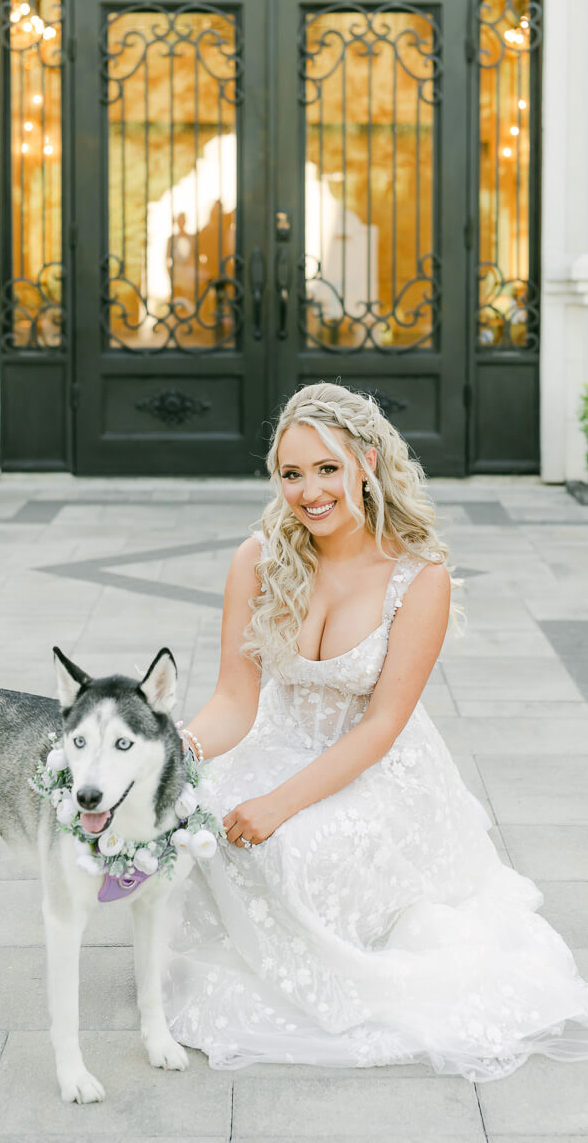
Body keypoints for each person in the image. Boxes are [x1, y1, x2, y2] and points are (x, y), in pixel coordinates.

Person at [163, 381, 588, 1081]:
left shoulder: (419, 576)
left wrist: (279, 805)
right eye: (292, 474)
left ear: (365, 462)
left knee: (288, 847)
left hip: (377, 768)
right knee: (201, 823)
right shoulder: (259, 559)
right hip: (276, 739)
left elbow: (383, 726)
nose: (309, 491)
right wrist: (167, 758)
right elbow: (235, 702)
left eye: (326, 469)